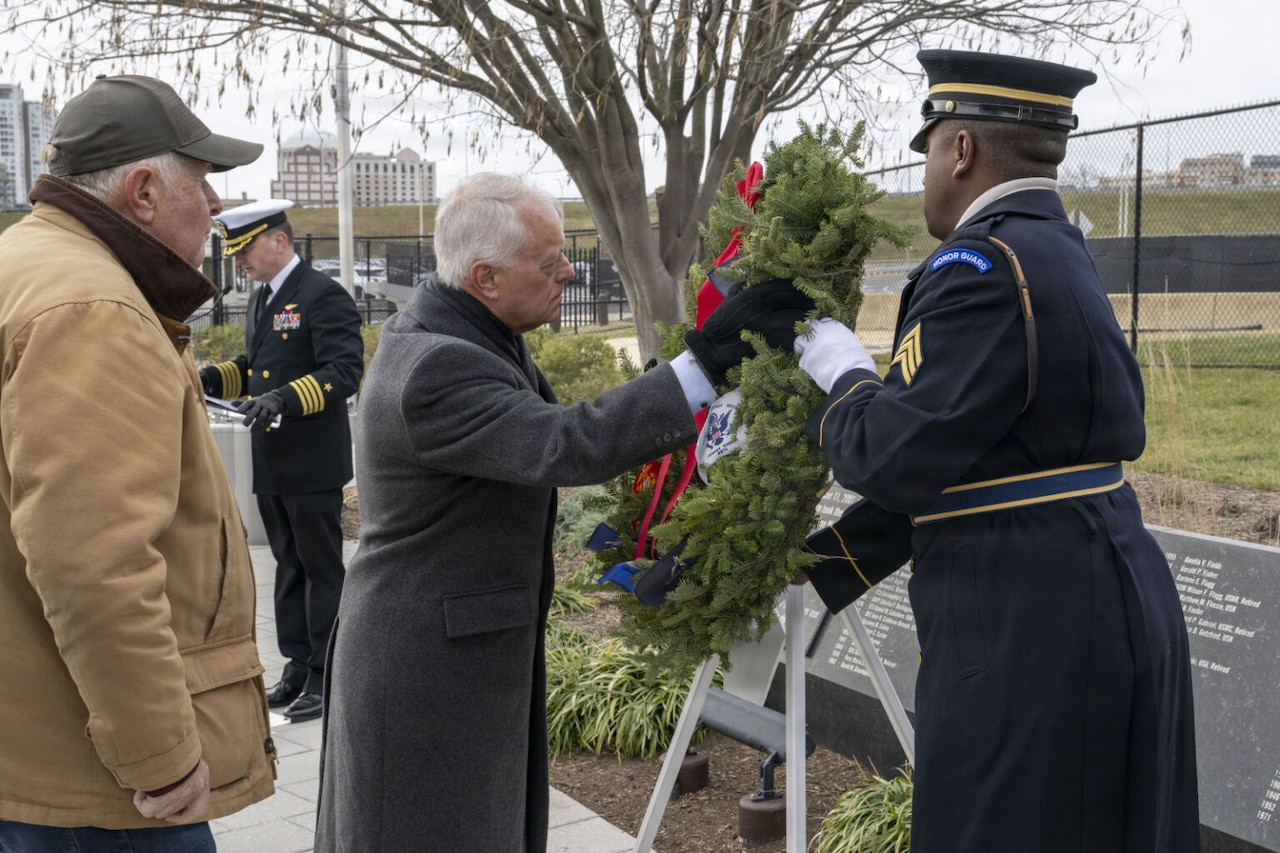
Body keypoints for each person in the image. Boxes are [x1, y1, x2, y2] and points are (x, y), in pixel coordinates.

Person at [714, 50, 1202, 851]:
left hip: (1029, 626)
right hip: (1089, 589)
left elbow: (893, 456)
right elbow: (991, 463)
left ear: (962, 150)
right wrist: (831, 557)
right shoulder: (1057, 248)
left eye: (931, 148)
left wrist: (838, 369)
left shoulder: (980, 264)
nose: (929, 175)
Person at [313, 171, 811, 852]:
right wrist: (706, 362)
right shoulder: (435, 367)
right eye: (550, 262)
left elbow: (565, 424)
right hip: (425, 672)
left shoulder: (472, 330)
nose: (571, 273)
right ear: (485, 276)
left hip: (459, 653)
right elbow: (563, 442)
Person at [0, 74, 276, 850]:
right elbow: (93, 559)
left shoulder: (24, 266)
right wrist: (157, 754)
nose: (218, 207)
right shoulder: (94, 309)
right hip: (95, 787)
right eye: (205, 182)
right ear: (145, 190)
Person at [201, 198, 364, 723]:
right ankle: (297, 664)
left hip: (312, 461)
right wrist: (210, 378)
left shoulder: (322, 295)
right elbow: (256, 368)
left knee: (320, 570)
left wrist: (284, 399)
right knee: (287, 567)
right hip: (273, 458)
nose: (239, 262)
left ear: (279, 241)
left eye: (245, 250)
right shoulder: (262, 298)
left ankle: (328, 672)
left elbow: (344, 371)